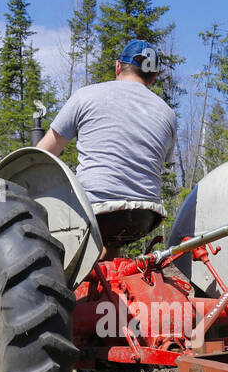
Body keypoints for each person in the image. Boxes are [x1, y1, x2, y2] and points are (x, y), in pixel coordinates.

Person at [37, 39, 177, 251]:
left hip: (94, 209)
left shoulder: (85, 96)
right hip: (146, 216)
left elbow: (43, 154)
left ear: (118, 66)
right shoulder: (168, 114)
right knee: (113, 227)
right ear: (154, 76)